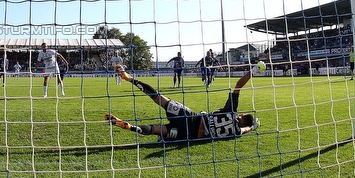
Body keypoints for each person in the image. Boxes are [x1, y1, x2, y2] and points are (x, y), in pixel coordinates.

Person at [106, 64, 259, 142]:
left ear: (241, 114)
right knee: (157, 130)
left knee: (158, 98)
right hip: (188, 135)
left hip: (191, 117)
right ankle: (131, 126)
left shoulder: (231, 111)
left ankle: (128, 78)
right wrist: (251, 127)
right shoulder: (236, 132)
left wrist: (254, 70)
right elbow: (244, 130)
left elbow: (239, 84)